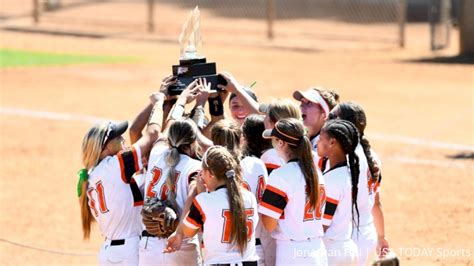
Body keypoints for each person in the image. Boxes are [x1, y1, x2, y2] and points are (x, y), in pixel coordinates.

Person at [78, 93, 165, 265]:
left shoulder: (96, 174)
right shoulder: (113, 166)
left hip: (111, 252)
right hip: (129, 253)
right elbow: (153, 133)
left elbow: (134, 131)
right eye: (118, 137)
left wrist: (159, 98)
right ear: (104, 147)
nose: (123, 139)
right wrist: (159, 103)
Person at [259, 118, 327, 266]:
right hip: (318, 251)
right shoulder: (316, 173)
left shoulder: (281, 175)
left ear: (281, 143)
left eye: (274, 140)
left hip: (293, 253)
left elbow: (268, 224)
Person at [175, 146, 259, 265]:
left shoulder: (204, 200)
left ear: (210, 174)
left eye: (202, 172)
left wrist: (200, 194)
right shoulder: (249, 197)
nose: (201, 177)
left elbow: (189, 231)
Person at [328, 102, 389, 264]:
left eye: (332, 117)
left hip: (347, 235)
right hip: (367, 233)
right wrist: (381, 236)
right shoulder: (371, 157)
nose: (328, 120)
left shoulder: (343, 159)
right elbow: (376, 203)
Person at [139, 119, 202, 266]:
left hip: (149, 246)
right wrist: (179, 231)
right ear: (193, 142)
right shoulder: (195, 167)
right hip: (181, 245)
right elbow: (193, 193)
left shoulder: (156, 152)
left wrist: (181, 100)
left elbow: (163, 132)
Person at [210, 119, 269, 265]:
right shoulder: (257, 164)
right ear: (242, 139)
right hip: (253, 249)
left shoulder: (210, 171)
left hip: (218, 254)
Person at [317, 119, 360, 266]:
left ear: (332, 143)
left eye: (321, 138)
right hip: (345, 248)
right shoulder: (347, 172)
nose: (317, 142)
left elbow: (323, 224)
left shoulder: (332, 180)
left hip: (332, 254)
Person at [258, 99, 301, 174]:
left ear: (273, 123)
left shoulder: (271, 156)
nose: (263, 119)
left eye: (265, 116)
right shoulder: (307, 150)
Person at [293, 87, 339, 152]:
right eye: (302, 102)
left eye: (309, 103)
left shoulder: (330, 145)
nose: (302, 106)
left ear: (324, 113)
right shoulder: (295, 135)